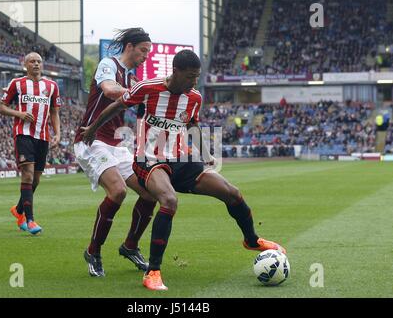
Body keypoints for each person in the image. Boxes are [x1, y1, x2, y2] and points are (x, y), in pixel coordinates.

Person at [82, 49, 286, 291]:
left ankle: (251, 240)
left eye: (197, 76)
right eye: (190, 76)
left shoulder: (194, 97)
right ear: (176, 72)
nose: (194, 82)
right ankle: (153, 272)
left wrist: (207, 154)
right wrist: (93, 129)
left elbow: (192, 124)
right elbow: (116, 107)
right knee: (169, 200)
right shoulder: (148, 88)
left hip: (181, 159)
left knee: (231, 192)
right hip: (148, 158)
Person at [73, 28, 157, 277]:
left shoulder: (133, 80)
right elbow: (109, 90)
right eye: (143, 50)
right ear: (129, 46)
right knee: (118, 191)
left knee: (151, 193)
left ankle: (130, 246)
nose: (145, 56)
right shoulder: (108, 65)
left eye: (148, 53)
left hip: (116, 144)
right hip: (91, 138)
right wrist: (144, 92)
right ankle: (93, 251)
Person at [0, 52, 61, 235]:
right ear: (25, 64)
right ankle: (30, 220)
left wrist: (58, 133)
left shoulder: (52, 86)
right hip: (23, 134)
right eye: (32, 61)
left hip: (42, 136)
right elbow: (1, 107)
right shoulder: (16, 84)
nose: (36, 64)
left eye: (39, 61)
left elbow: (55, 112)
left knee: (36, 179)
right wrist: (19, 114)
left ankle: (18, 210)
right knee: (27, 175)